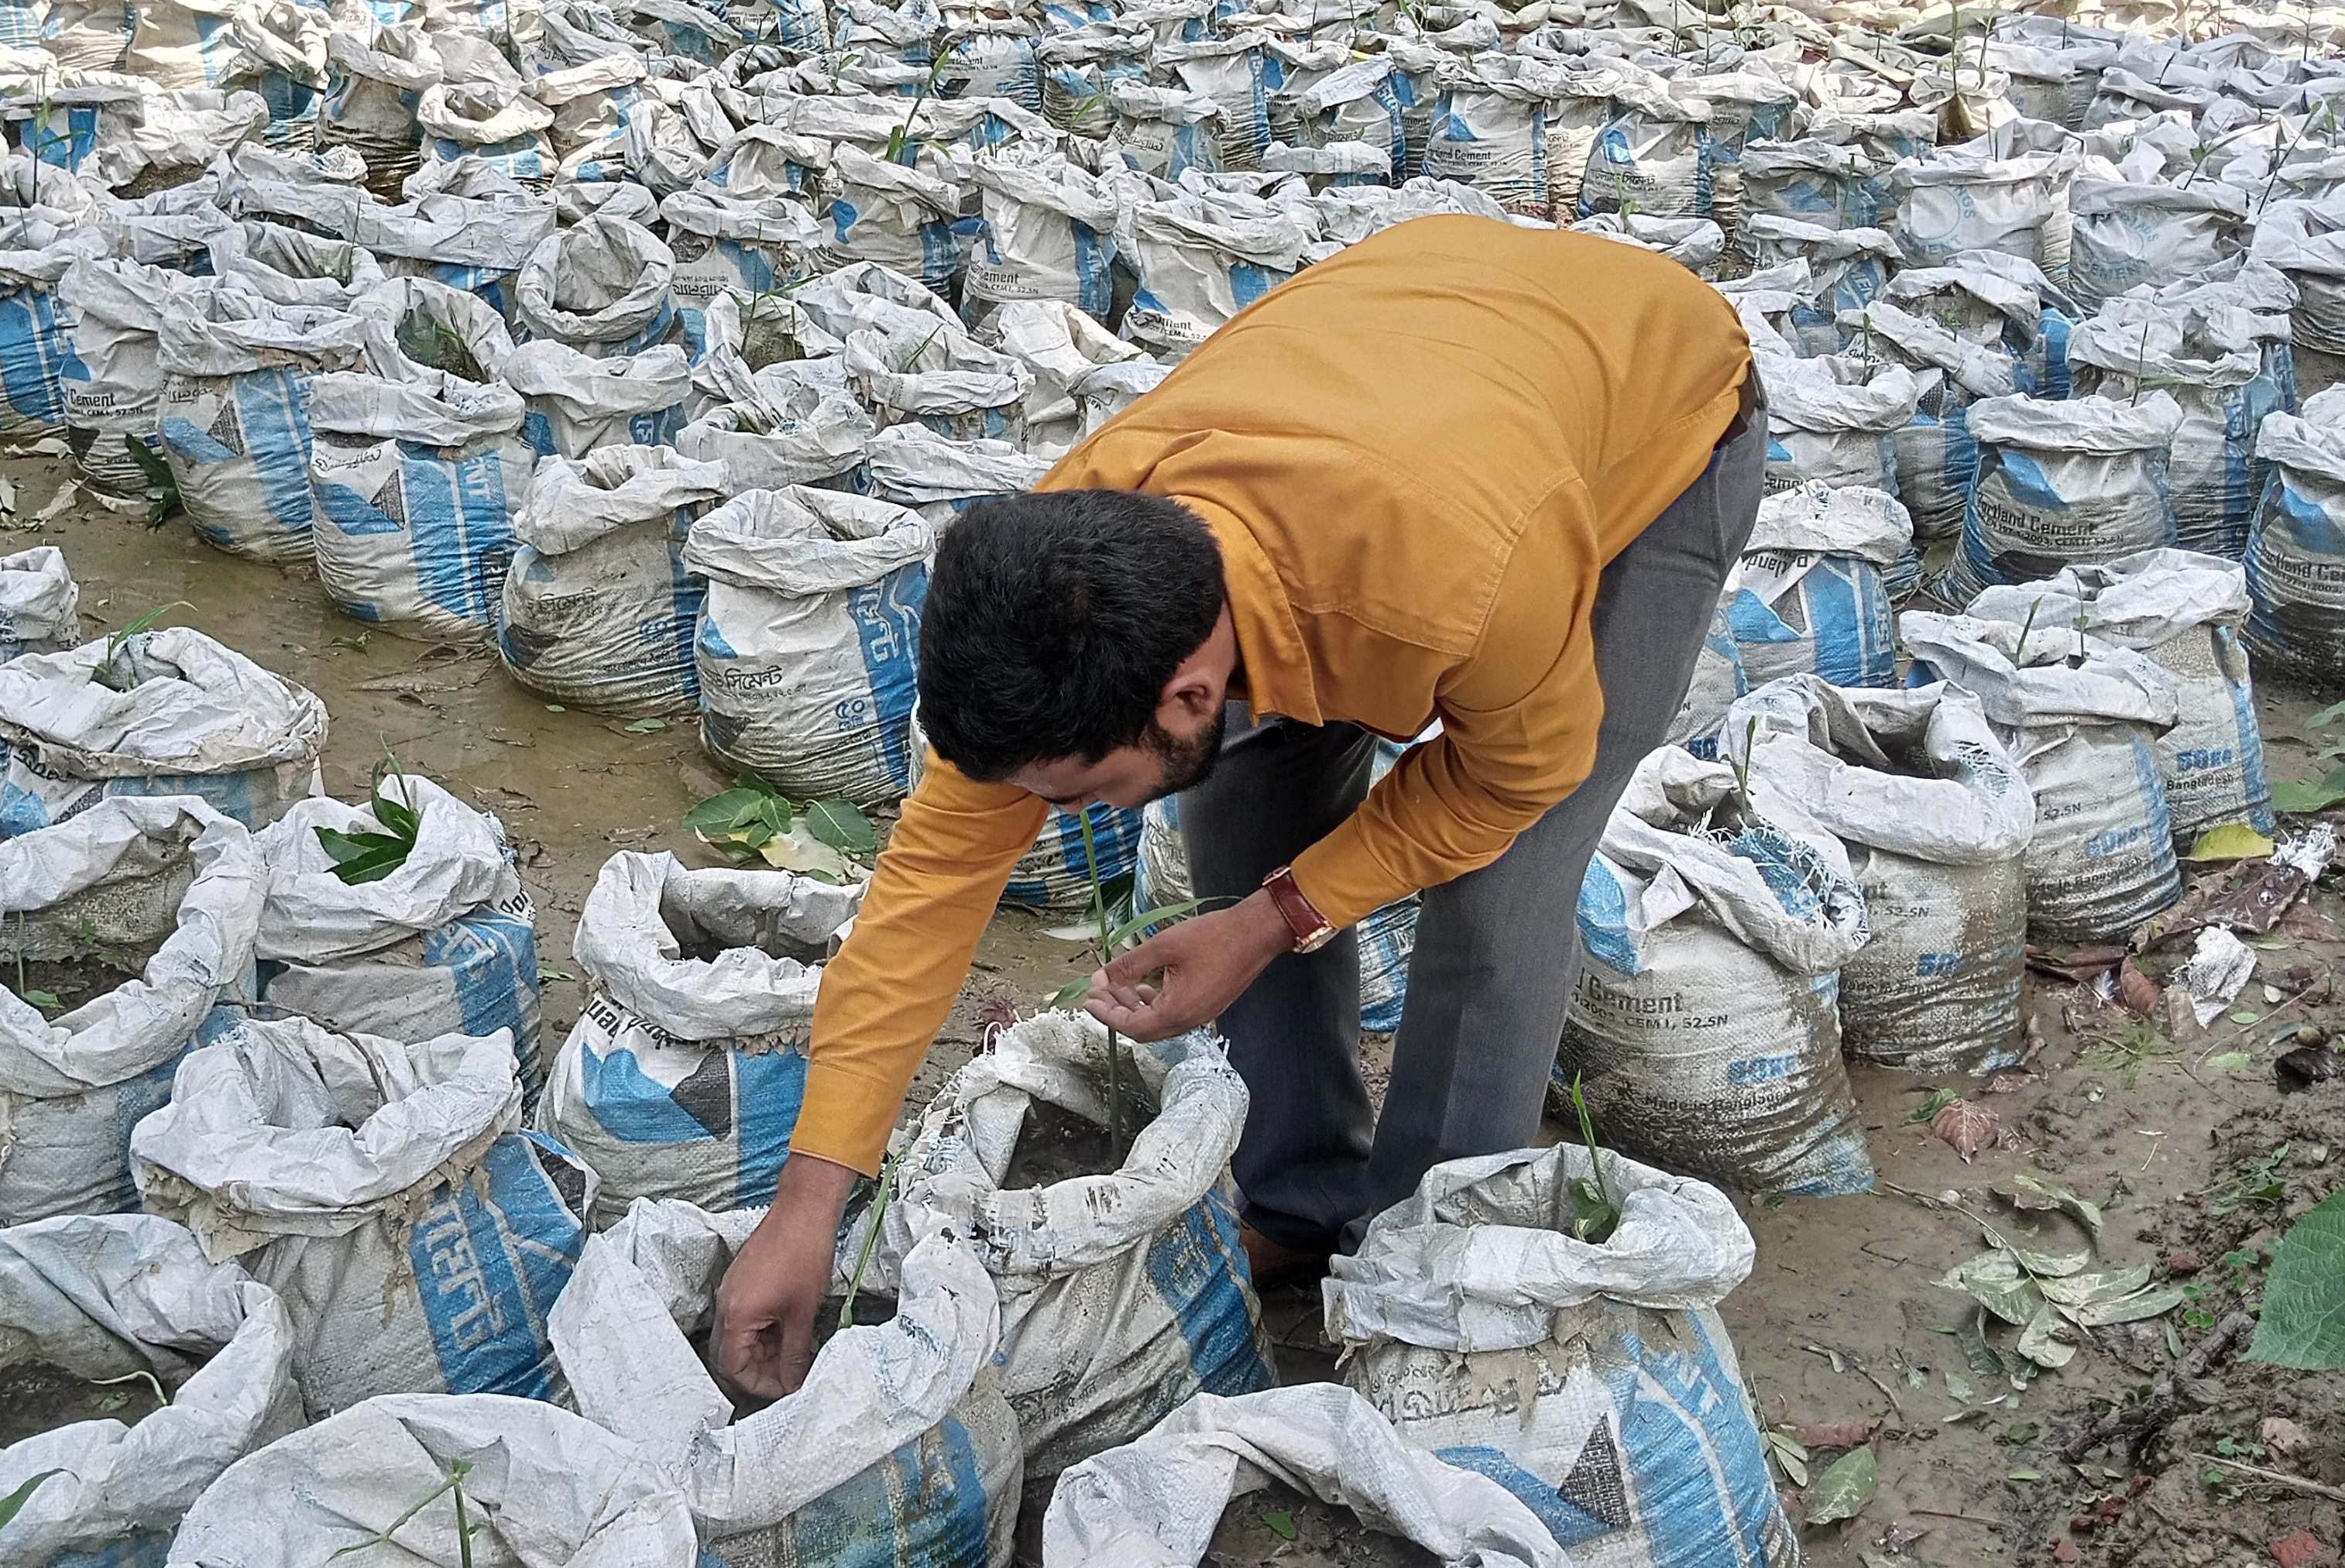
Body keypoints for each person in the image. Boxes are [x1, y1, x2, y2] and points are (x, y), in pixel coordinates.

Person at [709, 213, 1766, 1395]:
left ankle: (1424, 1280)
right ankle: (1299, 1200)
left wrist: (1272, 920)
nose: (1050, 815)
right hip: (1432, 339)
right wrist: (808, 1206)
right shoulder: (1060, 576)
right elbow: (927, 890)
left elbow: (1512, 779)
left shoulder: (1455, 589)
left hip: (1654, 409)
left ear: (1187, 691)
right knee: (1245, 793)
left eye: (1078, 795)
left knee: (1500, 893)